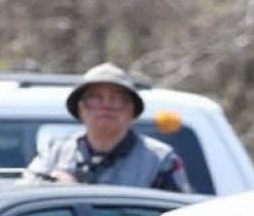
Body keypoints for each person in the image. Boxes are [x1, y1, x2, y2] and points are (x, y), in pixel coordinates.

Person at [23, 63, 192, 192]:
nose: (106, 106)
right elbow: (24, 196)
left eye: (117, 99)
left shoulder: (161, 161)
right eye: (95, 98)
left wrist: (76, 193)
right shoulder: (55, 153)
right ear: (80, 108)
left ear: (132, 110)